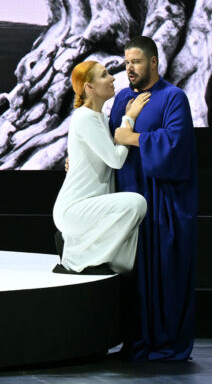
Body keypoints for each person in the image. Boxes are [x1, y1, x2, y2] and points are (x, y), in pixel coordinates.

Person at [109, 36, 198, 361]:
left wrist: (133, 137)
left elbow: (176, 145)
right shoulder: (122, 99)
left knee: (164, 272)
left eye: (136, 62)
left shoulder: (173, 97)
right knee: (132, 275)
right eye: (126, 62)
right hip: (128, 199)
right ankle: (134, 341)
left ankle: (165, 343)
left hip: (163, 204)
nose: (129, 68)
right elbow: (108, 143)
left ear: (153, 62)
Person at [52, 61, 148, 275]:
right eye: (104, 75)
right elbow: (116, 160)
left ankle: (74, 248)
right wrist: (129, 120)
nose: (112, 78)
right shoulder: (85, 117)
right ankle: (75, 259)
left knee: (122, 262)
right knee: (136, 203)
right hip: (74, 209)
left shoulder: (100, 118)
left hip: (89, 206)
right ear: (89, 87)